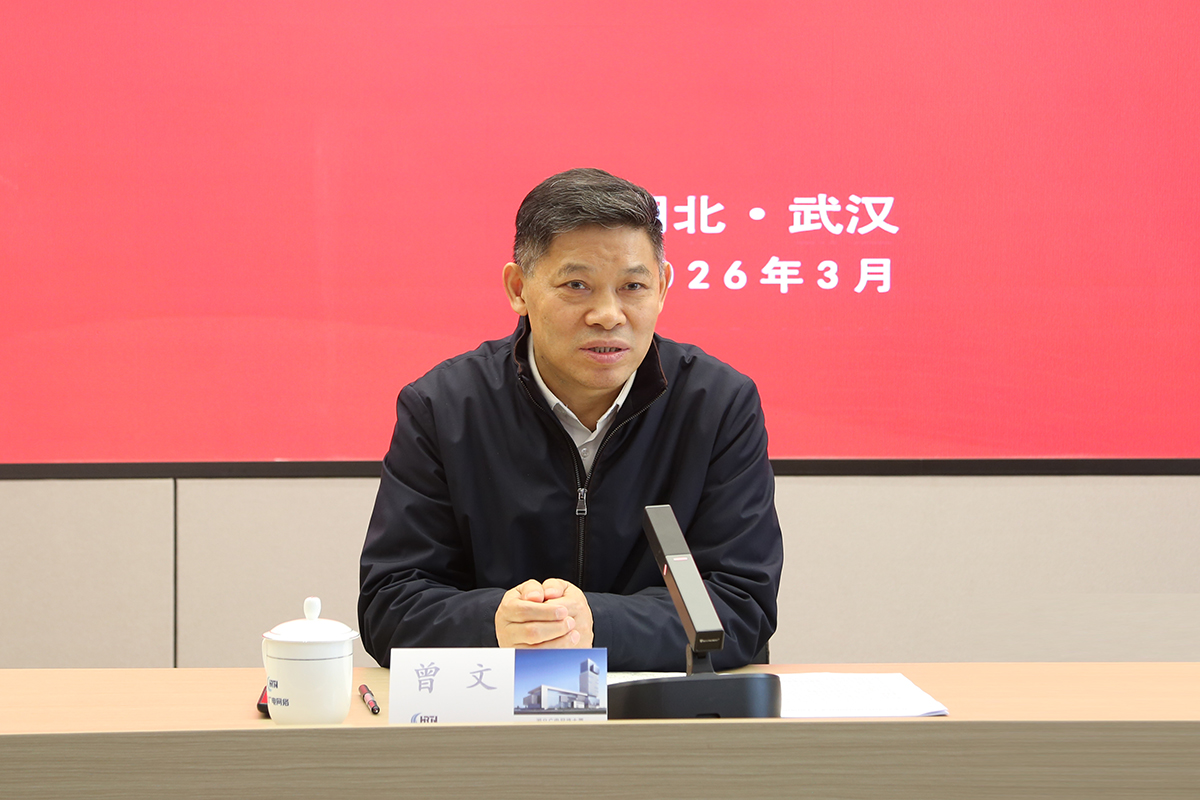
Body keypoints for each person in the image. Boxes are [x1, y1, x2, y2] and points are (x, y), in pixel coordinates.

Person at [358, 168, 783, 671]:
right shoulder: (444, 407)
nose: (608, 314)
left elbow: (741, 604)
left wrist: (596, 624)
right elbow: (390, 603)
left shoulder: (718, 404)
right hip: (495, 707)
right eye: (577, 285)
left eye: (633, 286)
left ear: (663, 287)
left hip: (659, 709)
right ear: (519, 288)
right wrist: (494, 623)